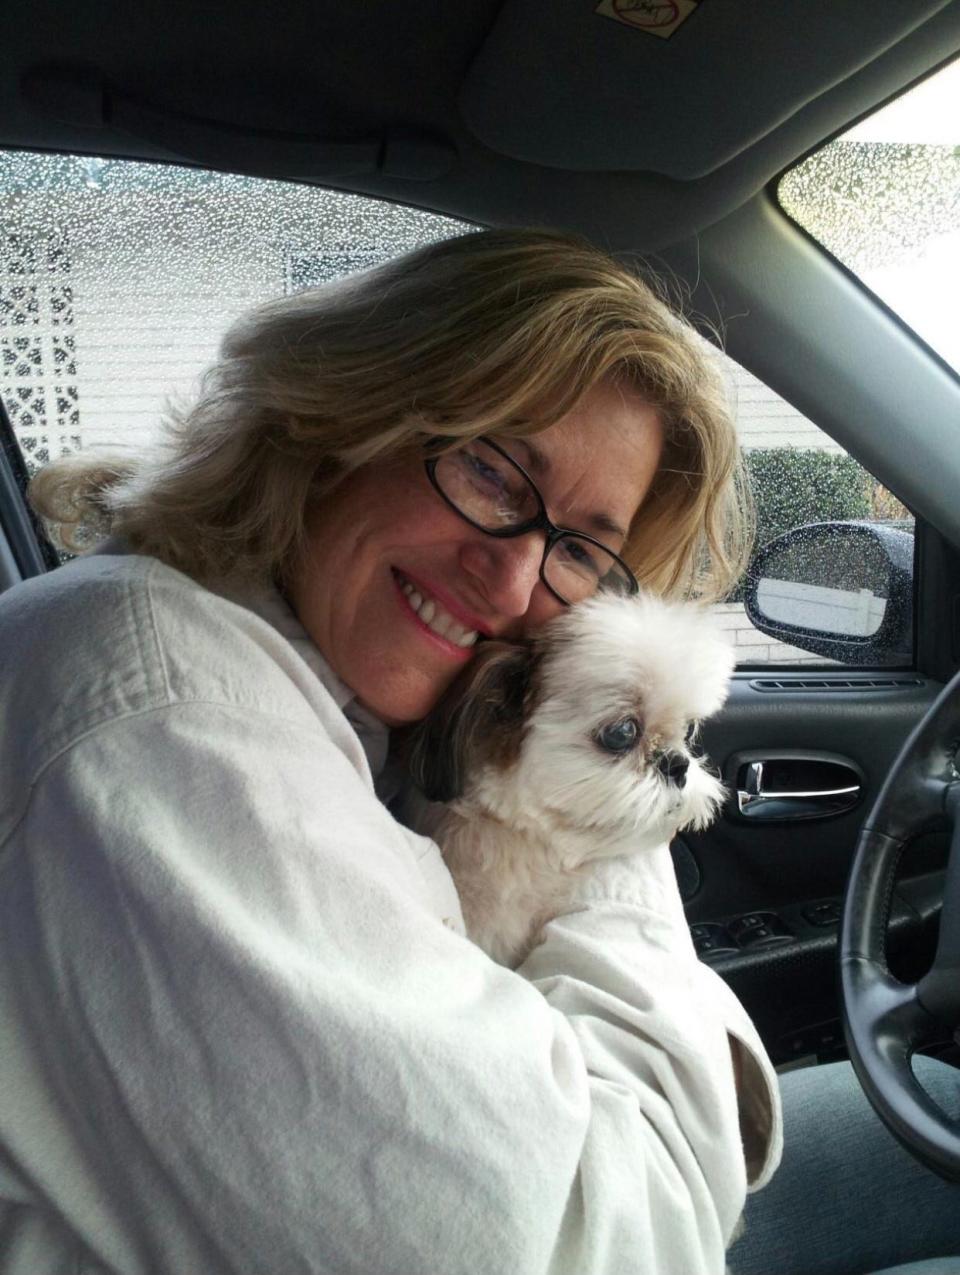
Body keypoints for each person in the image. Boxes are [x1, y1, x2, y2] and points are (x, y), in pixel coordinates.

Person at [0, 225, 945, 1275]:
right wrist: (602, 818)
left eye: (581, 548)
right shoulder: (168, 713)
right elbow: (611, 1243)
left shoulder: (328, 686)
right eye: (494, 472)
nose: (509, 589)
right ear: (336, 414)